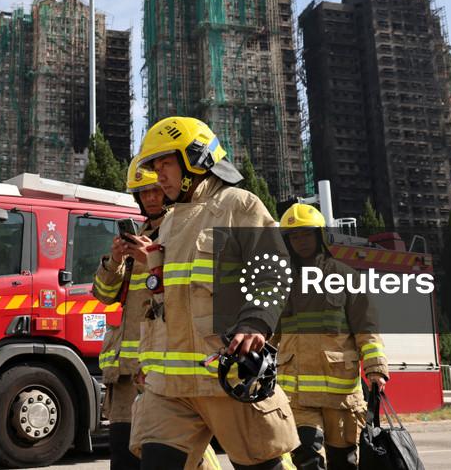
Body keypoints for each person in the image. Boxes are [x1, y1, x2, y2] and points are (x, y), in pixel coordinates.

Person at [127, 116, 299, 470]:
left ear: (195, 158)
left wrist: (256, 321)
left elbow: (274, 269)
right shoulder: (171, 221)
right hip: (170, 388)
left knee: (261, 466)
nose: (158, 175)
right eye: (155, 166)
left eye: (165, 164)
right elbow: (165, 301)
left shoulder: (239, 205)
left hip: (227, 374)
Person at [93, 158, 221, 470]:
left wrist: (153, 259)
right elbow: (104, 295)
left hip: (165, 366)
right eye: (143, 193)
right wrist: (114, 261)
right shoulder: (138, 236)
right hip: (127, 371)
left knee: (178, 456)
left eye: (155, 190)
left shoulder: (182, 232)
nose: (150, 197)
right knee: (123, 459)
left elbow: (186, 294)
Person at [277, 204, 389, 470]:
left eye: (306, 234)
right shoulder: (280, 281)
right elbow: (268, 330)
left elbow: (366, 326)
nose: (300, 241)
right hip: (296, 393)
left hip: (339, 394)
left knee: (344, 462)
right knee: (306, 456)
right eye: (294, 236)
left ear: (320, 235)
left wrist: (375, 369)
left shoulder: (344, 275)